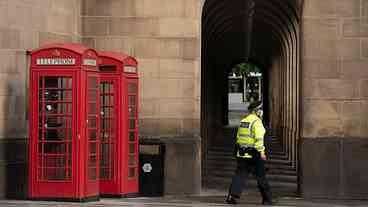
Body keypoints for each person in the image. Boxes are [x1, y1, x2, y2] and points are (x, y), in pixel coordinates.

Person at [225, 101, 273, 205]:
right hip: (254, 154)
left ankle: (231, 196)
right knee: (261, 176)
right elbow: (259, 139)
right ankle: (267, 199)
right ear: (256, 111)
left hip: (242, 153)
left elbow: (238, 137)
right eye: (260, 110)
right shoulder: (257, 122)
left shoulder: (243, 121)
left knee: (239, 175)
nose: (261, 112)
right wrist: (262, 153)